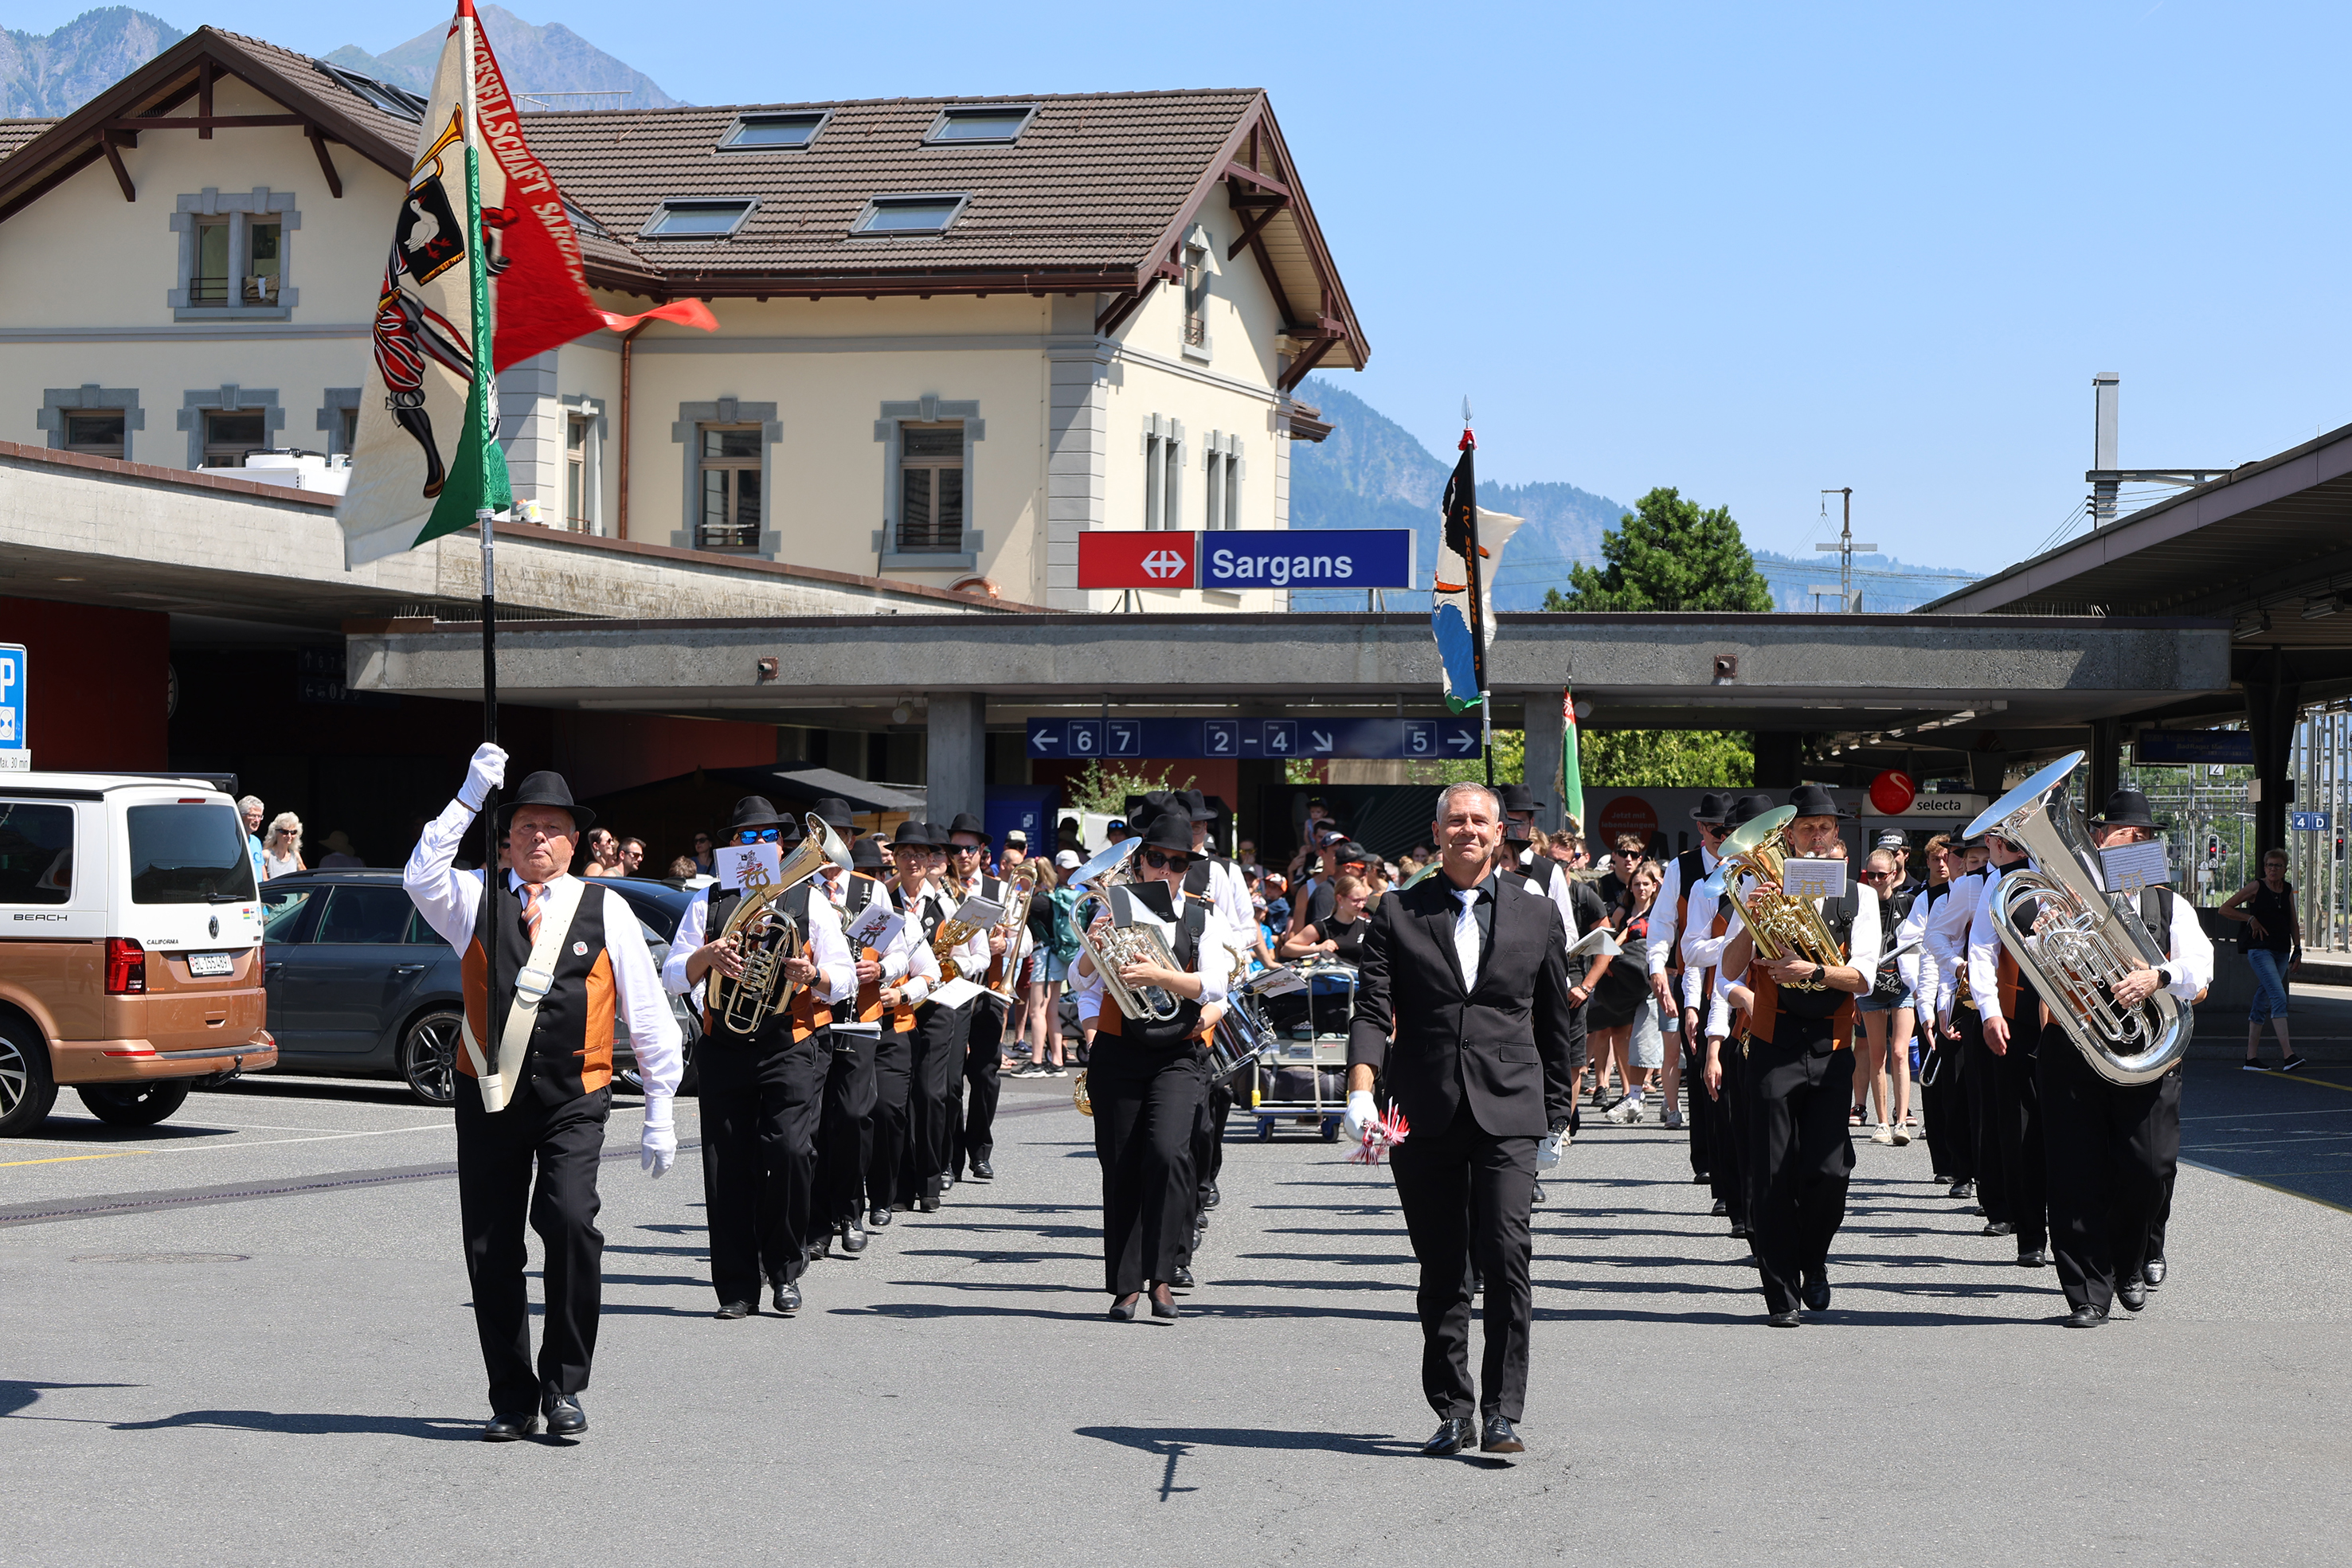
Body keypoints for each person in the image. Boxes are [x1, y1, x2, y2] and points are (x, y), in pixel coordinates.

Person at [402, 747, 682, 1440]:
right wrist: (468, 794)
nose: (538, 839)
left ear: (575, 841)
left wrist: (660, 1108)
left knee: (567, 1222)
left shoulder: (606, 908)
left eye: (553, 828)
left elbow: (645, 1011)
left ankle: (563, 1386)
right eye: (525, 826)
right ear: (506, 837)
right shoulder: (473, 896)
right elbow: (418, 875)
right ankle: (511, 1395)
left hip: (573, 1097)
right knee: (492, 1247)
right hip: (489, 1094)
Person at [1345, 783, 1576, 1457]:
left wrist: (1559, 1114)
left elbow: (1554, 1022)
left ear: (1500, 831)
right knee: (1443, 1265)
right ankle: (1453, 1408)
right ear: (1438, 830)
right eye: (1456, 820)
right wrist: (1361, 1091)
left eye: (1479, 820)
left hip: (1510, 1107)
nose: (1467, 830)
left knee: (1506, 1256)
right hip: (1421, 1107)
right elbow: (1370, 1009)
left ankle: (1504, 1411)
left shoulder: (1538, 914)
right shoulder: (1397, 910)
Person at [663, 799, 854, 1318]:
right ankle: (736, 1287)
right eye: (744, 838)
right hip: (724, 1045)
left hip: (788, 1044)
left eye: (766, 837)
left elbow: (845, 977)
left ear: (782, 845)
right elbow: (672, 973)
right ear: (729, 848)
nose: (756, 846)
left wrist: (811, 975)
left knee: (791, 1153)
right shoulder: (707, 901)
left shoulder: (808, 901)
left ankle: (786, 1268)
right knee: (727, 1169)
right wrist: (706, 956)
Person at [1709, 785, 1881, 1327]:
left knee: (1830, 1171)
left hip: (1830, 1047)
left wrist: (1813, 971)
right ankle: (1779, 1291)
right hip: (1769, 1044)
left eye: (1824, 827)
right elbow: (1728, 971)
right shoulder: (1763, 886)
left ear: (1836, 835)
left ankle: (1814, 1259)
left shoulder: (1861, 898)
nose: (1815, 834)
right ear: (1788, 834)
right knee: (1770, 1173)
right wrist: (1750, 917)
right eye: (1805, 827)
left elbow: (1864, 977)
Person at [2039, 788, 2212, 1327]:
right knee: (2074, 1174)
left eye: (2142, 837)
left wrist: (2156, 975)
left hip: (2147, 1052)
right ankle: (2086, 1293)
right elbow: (2031, 957)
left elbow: (2200, 970)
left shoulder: (2167, 903)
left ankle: (2128, 1261)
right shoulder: (2064, 898)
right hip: (2076, 1048)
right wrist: (2049, 928)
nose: (2135, 842)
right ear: (2098, 838)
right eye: (2124, 835)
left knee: (2148, 1168)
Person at [1070, 811, 1232, 1323]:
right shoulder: (1114, 911)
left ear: (1189, 868)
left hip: (1179, 1052)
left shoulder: (1203, 918)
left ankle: (1163, 1278)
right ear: (1139, 862)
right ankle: (1126, 1286)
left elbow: (1216, 986)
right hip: (1119, 1051)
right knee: (1120, 1167)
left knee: (1166, 1154)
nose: (1165, 869)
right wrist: (1095, 947)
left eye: (1177, 863)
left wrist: (1160, 974)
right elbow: (1082, 983)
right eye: (1156, 859)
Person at [1963, 820, 2049, 1267]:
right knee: (2017, 1125)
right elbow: (1980, 949)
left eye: (1992, 840)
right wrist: (1990, 1011)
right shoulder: (1993, 885)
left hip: (2069, 1014)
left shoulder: (2058, 872)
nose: (1988, 847)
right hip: (2016, 1014)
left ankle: (2075, 1228)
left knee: (2071, 1123)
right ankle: (2030, 1231)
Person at [1650, 793, 1732, 1145]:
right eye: (1716, 828)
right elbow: (1663, 923)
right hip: (1694, 980)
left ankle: (1735, 1160)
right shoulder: (1681, 868)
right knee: (1700, 1067)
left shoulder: (1750, 866)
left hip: (1738, 982)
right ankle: (1705, 1158)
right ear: (1701, 828)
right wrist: (1658, 970)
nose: (1723, 835)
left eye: (1730, 828)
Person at [945, 811, 1019, 1183]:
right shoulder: (941, 889)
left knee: (986, 1074)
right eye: (955, 849)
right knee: (950, 1076)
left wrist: (1004, 943)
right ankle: (950, 1154)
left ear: (982, 851)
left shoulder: (1000, 889)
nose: (961, 855)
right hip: (951, 988)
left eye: (969, 849)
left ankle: (980, 1151)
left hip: (989, 988)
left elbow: (1027, 940)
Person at [1924, 831, 1991, 1206]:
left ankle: (1994, 1175)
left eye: (1984, 860)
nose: (1978, 867)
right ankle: (1965, 1169)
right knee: (1963, 1090)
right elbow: (1934, 941)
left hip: (2013, 999)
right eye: (1972, 861)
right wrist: (1956, 967)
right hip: (1964, 1000)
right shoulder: (1964, 889)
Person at [1853, 849, 1916, 1146]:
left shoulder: (1907, 902)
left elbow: (1920, 942)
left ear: (1893, 874)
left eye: (1882, 874)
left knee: (1900, 1052)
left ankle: (1901, 1120)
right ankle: (1881, 1123)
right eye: (1871, 875)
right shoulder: (1859, 903)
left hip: (1901, 984)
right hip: (1870, 987)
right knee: (1876, 1054)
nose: (1876, 880)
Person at [1593, 861, 1665, 1123]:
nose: (1641, 888)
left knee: (1659, 1038)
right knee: (1626, 1036)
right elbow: (1616, 938)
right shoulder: (1625, 913)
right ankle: (1632, 1093)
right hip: (1627, 983)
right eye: (1637, 884)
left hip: (1654, 980)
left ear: (1655, 886)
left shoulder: (1661, 909)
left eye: (1646, 883)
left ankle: (1663, 1099)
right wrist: (1607, 961)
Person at [2221, 849, 2304, 1071]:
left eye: (2277, 866)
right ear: (2264, 867)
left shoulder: (2286, 889)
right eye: (2269, 865)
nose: (2272, 870)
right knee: (2278, 995)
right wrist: (2250, 919)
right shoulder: (2256, 887)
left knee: (2262, 998)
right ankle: (2289, 1055)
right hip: (2259, 950)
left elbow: (2293, 922)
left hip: (2281, 950)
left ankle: (2251, 1058)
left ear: (2285, 869)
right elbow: (2225, 908)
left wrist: (2298, 949)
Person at [1016, 856, 1077, 1077]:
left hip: (1043, 957)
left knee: (1036, 1011)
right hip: (1056, 957)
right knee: (1051, 1012)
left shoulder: (1035, 901)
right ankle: (1057, 1061)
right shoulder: (1051, 898)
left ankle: (1036, 1061)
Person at [262, 812, 305, 879]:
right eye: (285, 832)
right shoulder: (266, 855)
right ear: (275, 832)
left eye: (293, 832)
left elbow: (305, 878)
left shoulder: (295, 855)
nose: (289, 836)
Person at [239, 796, 268, 882]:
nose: (257, 820)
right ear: (241, 815)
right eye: (253, 816)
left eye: (260, 816)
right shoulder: (232, 841)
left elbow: (261, 867)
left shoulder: (256, 841)